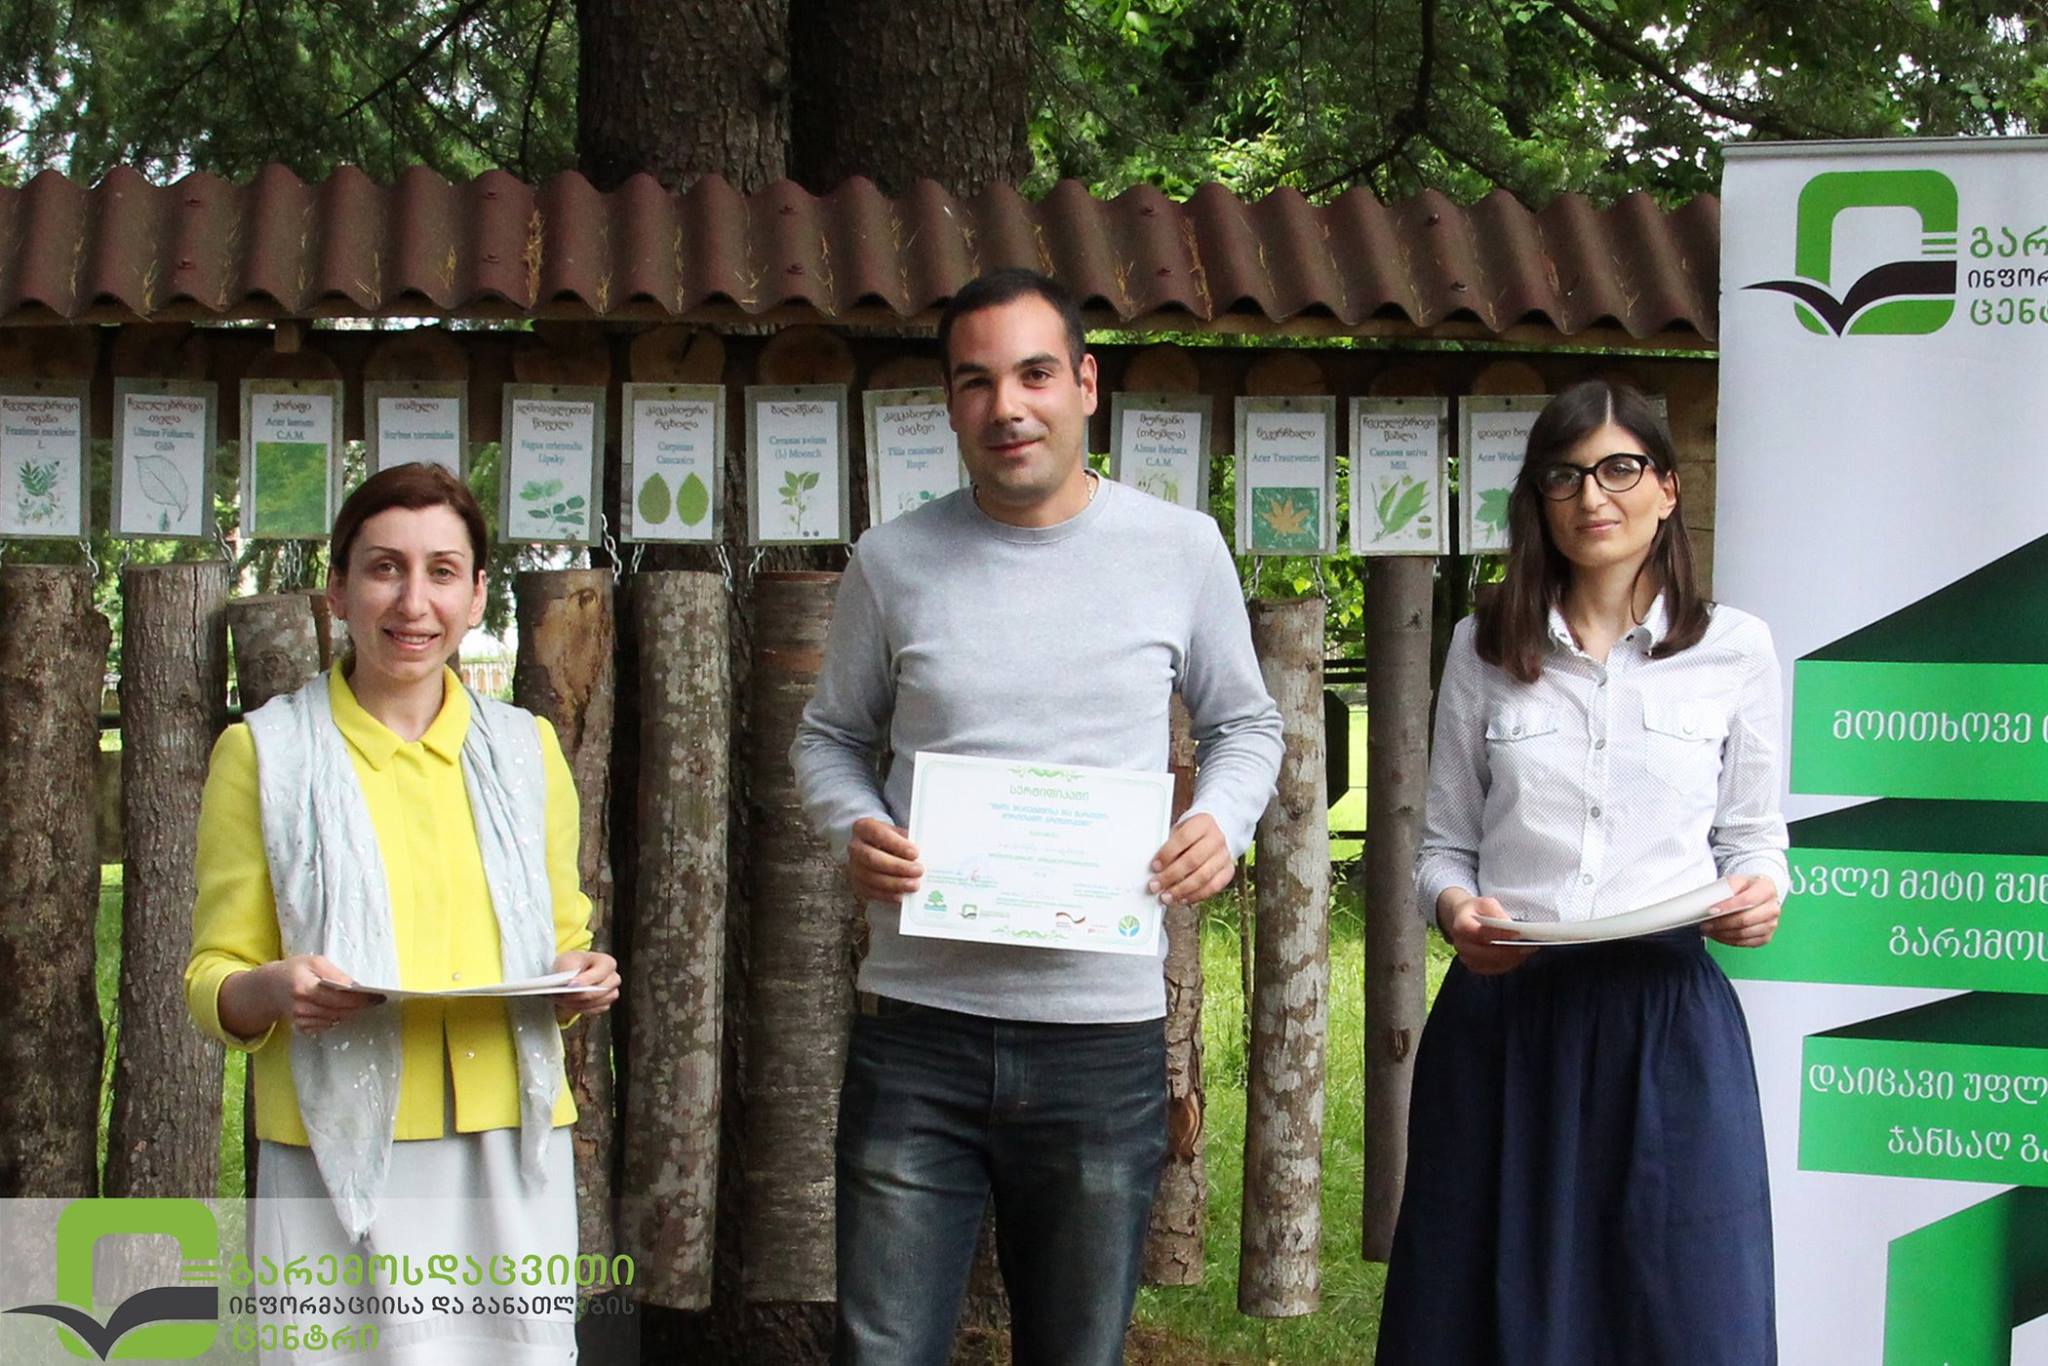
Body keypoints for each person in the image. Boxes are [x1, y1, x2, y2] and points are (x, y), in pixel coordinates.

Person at [791, 267, 1284, 1365]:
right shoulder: (891, 560)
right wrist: (851, 825)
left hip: (1099, 1043)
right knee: (882, 1351)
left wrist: (1223, 820)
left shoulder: (1181, 549)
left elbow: (1248, 724)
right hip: (917, 1033)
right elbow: (828, 739)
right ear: (949, 404)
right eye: (975, 382)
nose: (1006, 407)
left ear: (1085, 384)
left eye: (1033, 374)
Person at [1374, 379, 1787, 1365]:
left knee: (1683, 1316)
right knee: (1487, 1316)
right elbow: (1442, 848)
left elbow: (1752, 839)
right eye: (1564, 475)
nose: (1592, 496)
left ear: (1667, 489)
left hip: (1666, 1027)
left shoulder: (1734, 648)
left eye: (1619, 469)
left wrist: (1760, 896)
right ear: (1539, 500)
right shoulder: (1482, 648)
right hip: (1509, 1020)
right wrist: (1455, 910)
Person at [184, 463, 620, 1365]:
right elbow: (212, 977)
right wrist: (274, 988)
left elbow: (562, 941)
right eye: (385, 568)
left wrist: (582, 976)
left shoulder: (527, 751)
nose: (413, 602)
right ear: (338, 589)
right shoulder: (264, 755)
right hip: (334, 1151)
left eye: (442, 572)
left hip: (511, 1149)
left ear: (478, 595)